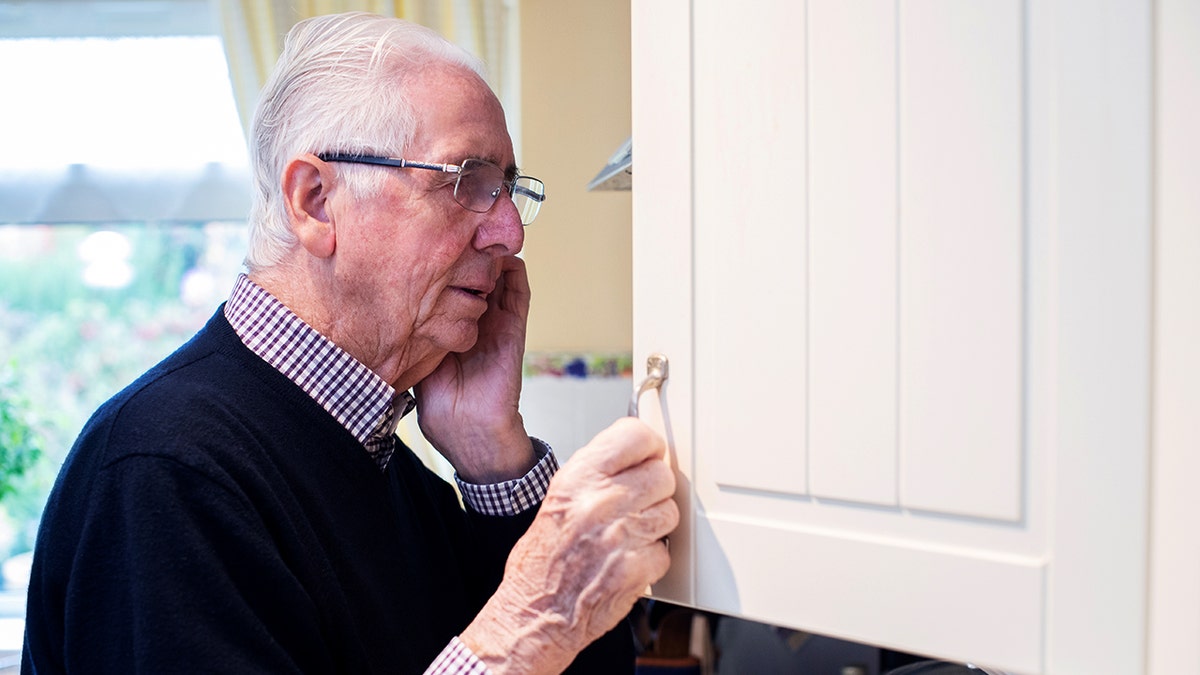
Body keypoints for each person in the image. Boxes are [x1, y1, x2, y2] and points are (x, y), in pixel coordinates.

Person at [21, 12, 678, 675]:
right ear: (315, 201)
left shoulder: (394, 475)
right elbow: (529, 640)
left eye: (507, 189)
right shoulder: (167, 470)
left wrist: (491, 452)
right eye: (467, 182)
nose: (510, 231)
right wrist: (527, 624)